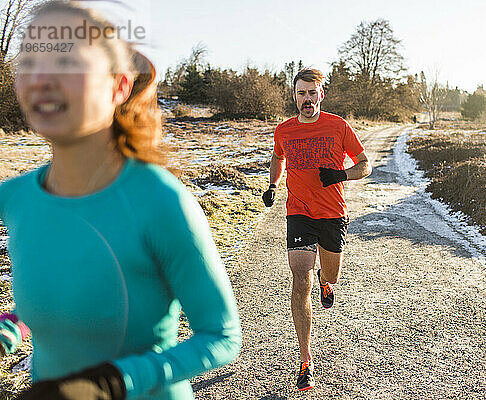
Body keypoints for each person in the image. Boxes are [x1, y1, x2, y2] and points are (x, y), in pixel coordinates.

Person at [0, 2, 241, 399]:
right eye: (28, 61)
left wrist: (110, 383)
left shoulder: (160, 201)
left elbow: (221, 336)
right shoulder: (14, 198)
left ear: (119, 86)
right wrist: (10, 327)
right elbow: (62, 298)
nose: (40, 78)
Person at [262, 68, 372, 391]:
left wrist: (341, 176)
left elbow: (365, 164)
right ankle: (305, 359)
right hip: (299, 212)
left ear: (321, 94)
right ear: (294, 96)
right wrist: (272, 185)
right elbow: (277, 158)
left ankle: (327, 281)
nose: (306, 99)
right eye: (301, 93)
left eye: (312, 92)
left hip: (332, 213)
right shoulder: (284, 131)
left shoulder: (338, 127)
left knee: (331, 274)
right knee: (299, 278)